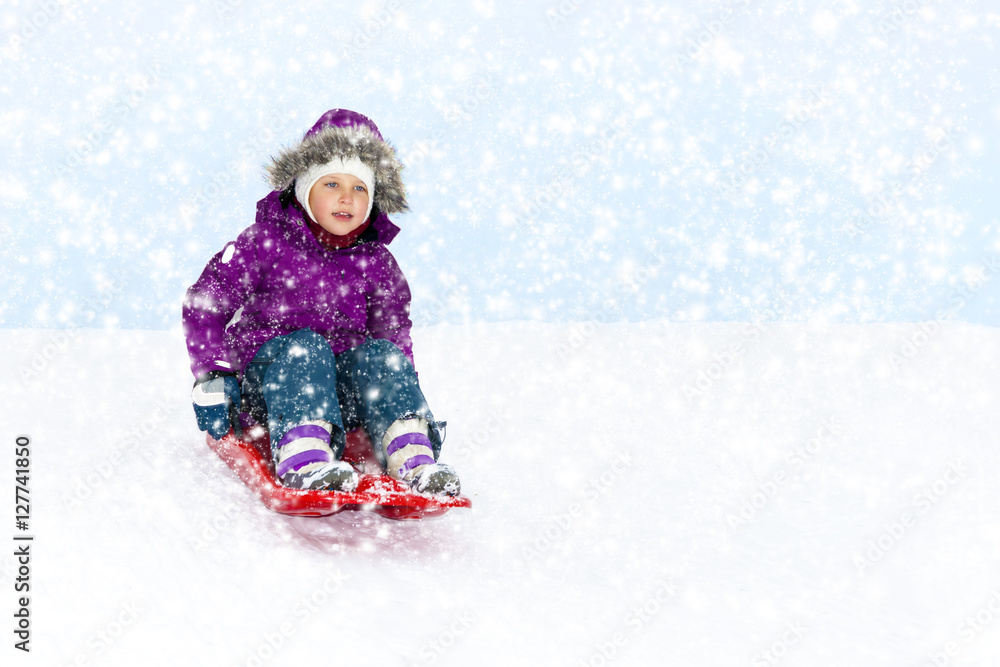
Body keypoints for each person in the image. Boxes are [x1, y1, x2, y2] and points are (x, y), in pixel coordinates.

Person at [182, 109, 459, 496]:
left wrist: (396, 389)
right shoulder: (263, 243)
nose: (346, 197)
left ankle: (414, 460)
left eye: (360, 188)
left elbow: (394, 333)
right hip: (270, 387)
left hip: (343, 393)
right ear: (304, 187)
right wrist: (213, 375)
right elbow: (206, 305)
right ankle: (305, 460)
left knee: (381, 354)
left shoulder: (376, 263)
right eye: (332, 183)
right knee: (306, 347)